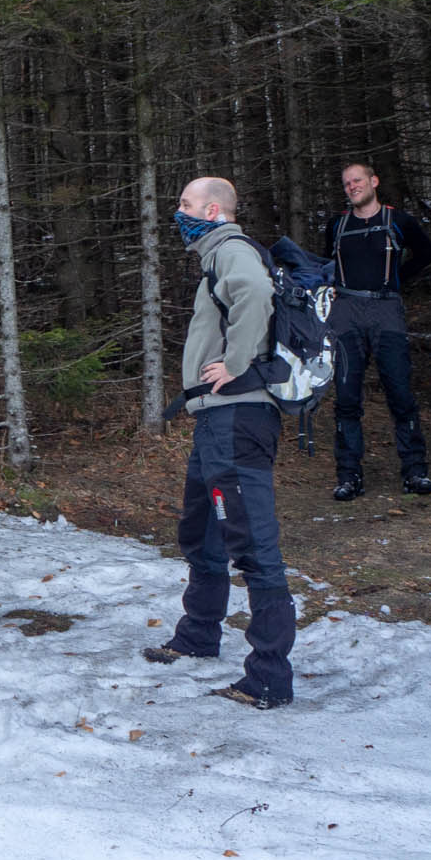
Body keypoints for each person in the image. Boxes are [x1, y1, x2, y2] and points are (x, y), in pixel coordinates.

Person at [144, 176, 295, 710]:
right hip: (215, 419)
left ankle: (269, 676)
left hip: (239, 419)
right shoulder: (215, 255)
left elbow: (256, 294)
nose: (177, 212)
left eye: (184, 204)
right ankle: (198, 635)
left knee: (253, 546)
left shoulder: (231, 250)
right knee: (202, 530)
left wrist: (234, 366)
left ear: (212, 209)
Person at [325, 161, 431, 500]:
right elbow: (326, 265)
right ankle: (348, 476)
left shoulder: (399, 221)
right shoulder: (336, 226)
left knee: (400, 394)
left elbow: (427, 254)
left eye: (357, 180)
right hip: (345, 313)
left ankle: (415, 471)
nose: (352, 187)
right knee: (346, 399)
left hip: (386, 311)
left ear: (374, 181)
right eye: (346, 183)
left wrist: (398, 282)